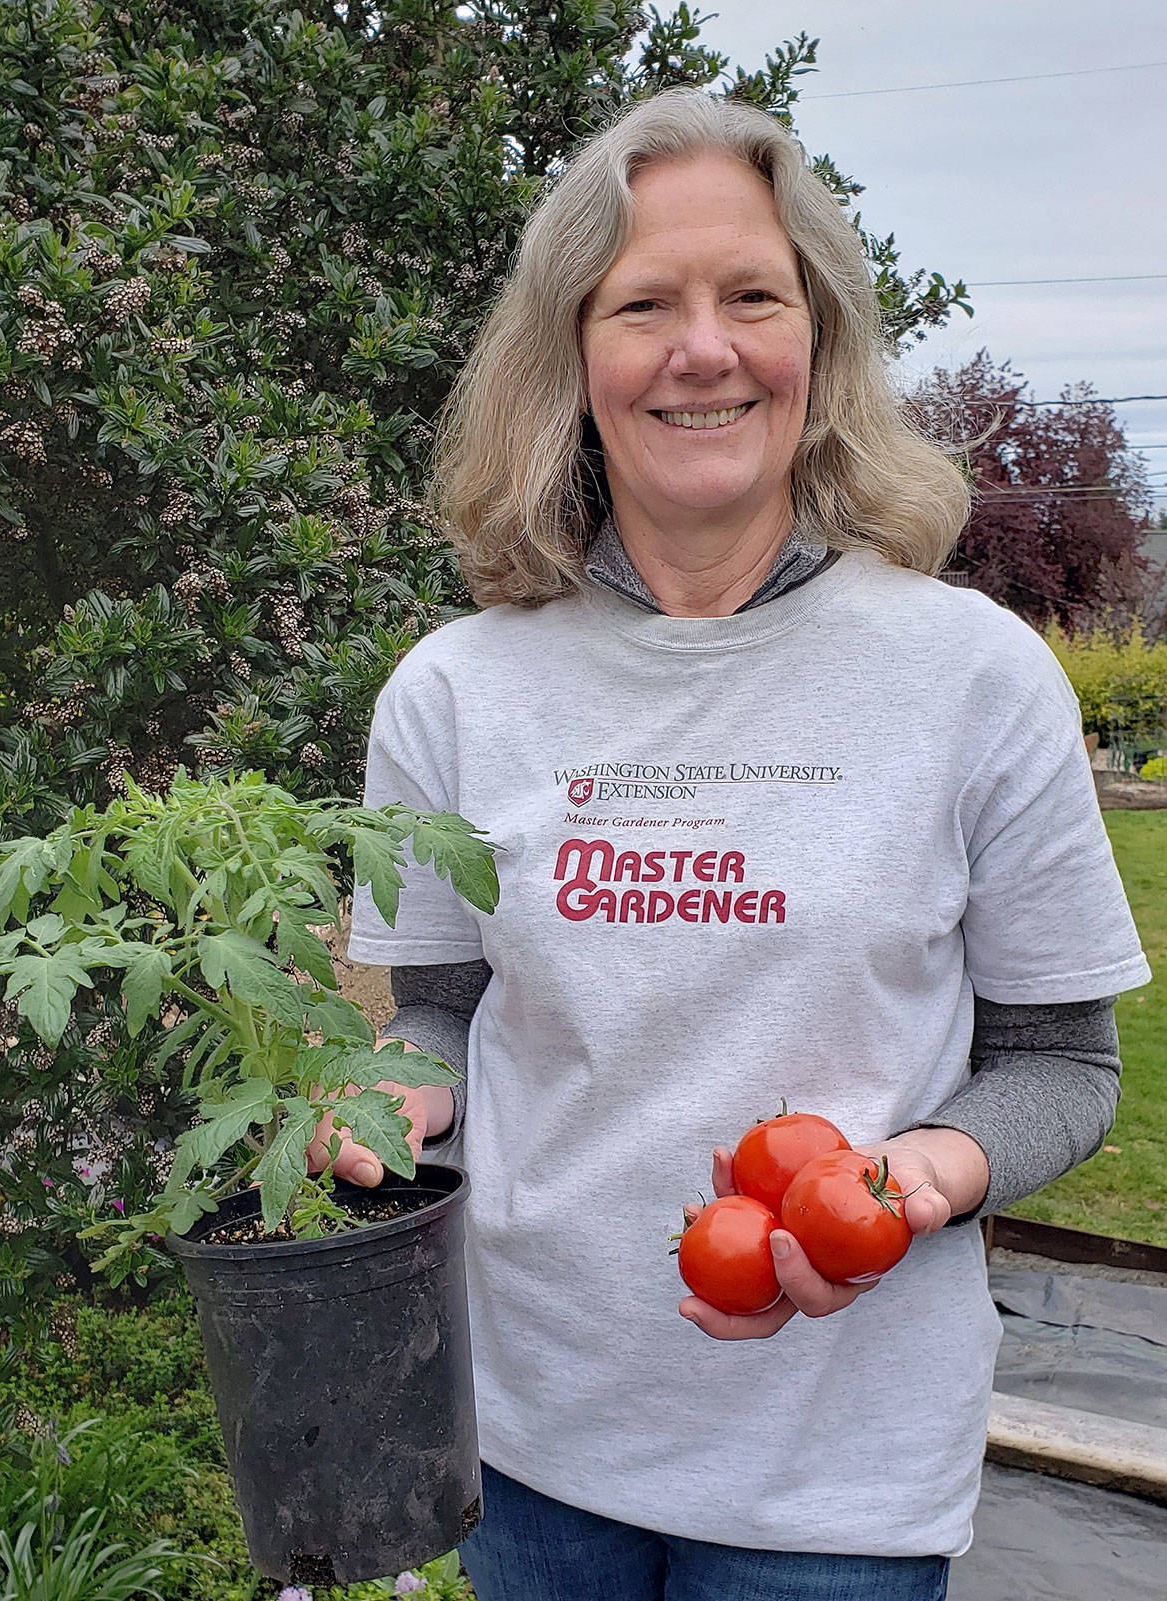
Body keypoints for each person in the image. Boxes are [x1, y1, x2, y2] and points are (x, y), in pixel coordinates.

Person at [318, 88, 1150, 1601]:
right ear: (573, 353)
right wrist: (393, 1084)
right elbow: (440, 1007)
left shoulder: (971, 674)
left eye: (751, 296)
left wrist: (912, 1179)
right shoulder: (457, 690)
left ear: (814, 338)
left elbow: (1063, 1063)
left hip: (837, 1486)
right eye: (644, 303)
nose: (703, 348)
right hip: (527, 1445)